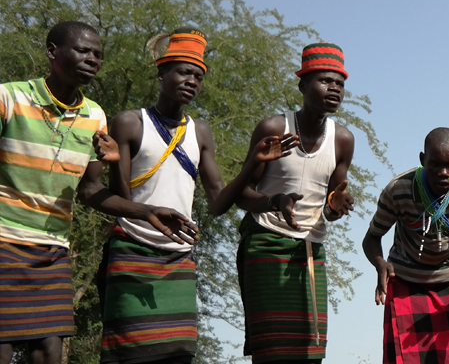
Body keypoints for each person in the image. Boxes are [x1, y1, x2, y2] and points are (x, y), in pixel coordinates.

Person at [82, 27, 298, 364]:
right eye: (184, 71)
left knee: (178, 355)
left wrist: (253, 162)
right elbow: (106, 196)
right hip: (132, 250)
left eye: (198, 76)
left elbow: (217, 203)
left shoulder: (200, 131)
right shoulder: (129, 123)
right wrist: (117, 172)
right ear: (161, 72)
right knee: (127, 354)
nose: (192, 81)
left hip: (179, 258)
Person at [233, 42, 357, 363]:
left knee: (310, 349)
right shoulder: (274, 128)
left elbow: (329, 209)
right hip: (265, 242)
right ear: (302, 86)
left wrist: (337, 205)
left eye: (340, 84)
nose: (335, 89)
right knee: (271, 349)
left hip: (309, 250)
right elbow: (242, 194)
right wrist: (275, 202)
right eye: (325, 81)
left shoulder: (342, 139)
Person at [0, 21, 109, 364]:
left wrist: (147, 211)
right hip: (3, 241)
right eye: (83, 50)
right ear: (51, 52)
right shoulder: (9, 97)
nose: (92, 59)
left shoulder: (95, 116)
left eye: (98, 55)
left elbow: (91, 191)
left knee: (49, 350)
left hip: (52, 250)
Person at [362, 127, 449, 364]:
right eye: (435, 165)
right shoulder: (399, 189)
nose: (444, 173)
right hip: (407, 283)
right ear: (422, 160)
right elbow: (371, 238)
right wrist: (380, 264)